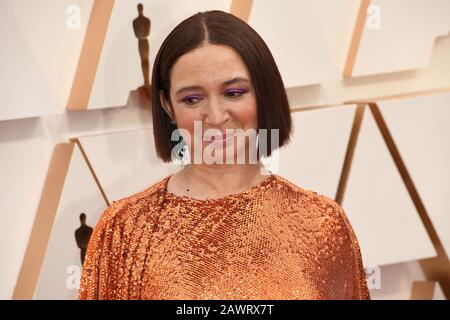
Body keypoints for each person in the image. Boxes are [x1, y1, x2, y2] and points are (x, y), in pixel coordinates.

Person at [78, 10, 370, 300]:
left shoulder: (321, 224)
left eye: (233, 93)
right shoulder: (125, 229)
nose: (216, 116)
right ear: (167, 105)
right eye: (192, 99)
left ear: (262, 93)